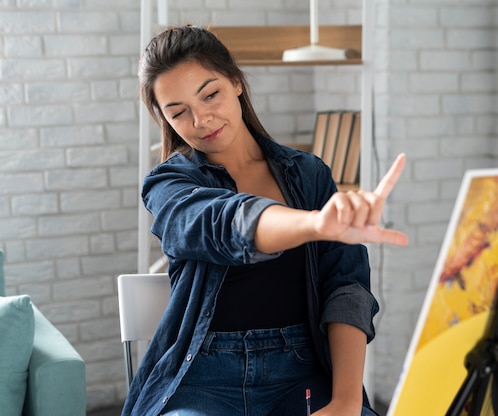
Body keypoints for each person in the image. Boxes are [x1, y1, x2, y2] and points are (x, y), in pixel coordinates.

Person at [122, 24, 408, 416]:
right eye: (179, 112)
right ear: (165, 119)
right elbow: (223, 222)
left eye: (211, 95)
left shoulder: (309, 175)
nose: (202, 119)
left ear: (236, 82)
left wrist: (344, 402)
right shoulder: (168, 185)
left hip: (301, 373)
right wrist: (314, 225)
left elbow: (346, 290)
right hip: (203, 378)